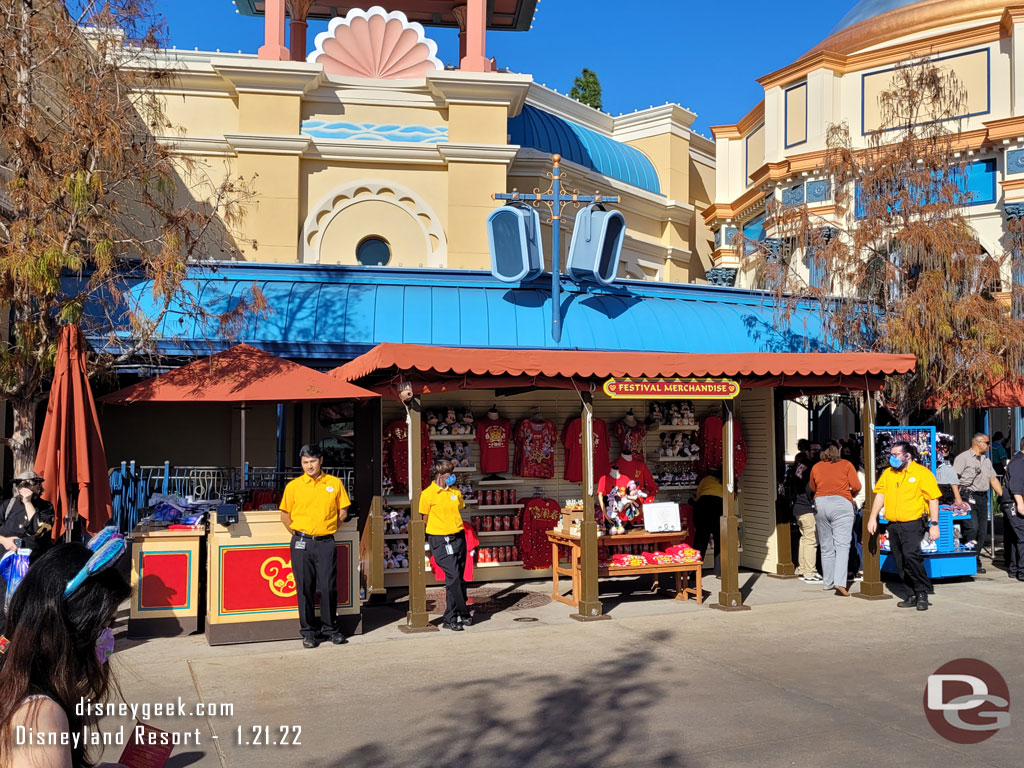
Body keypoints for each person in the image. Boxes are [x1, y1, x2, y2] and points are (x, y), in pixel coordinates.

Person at [0, 541, 130, 768]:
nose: (110, 638)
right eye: (106, 624)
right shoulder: (41, 717)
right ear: (70, 629)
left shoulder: (17, 682)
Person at [279, 444, 350, 649]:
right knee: (304, 588)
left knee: (328, 587)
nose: (309, 466)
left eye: (312, 461)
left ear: (321, 461)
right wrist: (301, 534)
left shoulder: (334, 483)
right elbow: (285, 516)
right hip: (301, 542)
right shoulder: (294, 486)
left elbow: (343, 511)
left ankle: (330, 629)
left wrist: (328, 528)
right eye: (305, 462)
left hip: (326, 542)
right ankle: (308, 632)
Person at [868, 441, 941, 611]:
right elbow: (880, 495)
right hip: (893, 524)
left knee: (911, 557)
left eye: (896, 454)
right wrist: (873, 517)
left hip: (913, 523)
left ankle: (922, 592)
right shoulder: (888, 473)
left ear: (907, 455)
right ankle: (911, 594)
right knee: (900, 560)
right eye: (891, 454)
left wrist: (934, 524)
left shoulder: (922, 473)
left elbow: (933, 499)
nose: (892, 457)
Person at [419, 458, 470, 631]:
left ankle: (452, 617)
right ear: (439, 475)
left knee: (456, 579)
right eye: (448, 475)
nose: (451, 478)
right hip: (439, 539)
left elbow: (459, 508)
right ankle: (461, 612)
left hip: (458, 536)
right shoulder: (427, 494)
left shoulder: (455, 492)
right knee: (453, 576)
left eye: (452, 474)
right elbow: (424, 518)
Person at [809, 444, 861, 596]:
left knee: (826, 545)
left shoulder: (816, 467)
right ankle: (840, 582)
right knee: (842, 545)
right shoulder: (846, 465)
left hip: (821, 503)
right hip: (842, 503)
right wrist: (851, 495)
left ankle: (828, 582)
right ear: (837, 451)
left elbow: (812, 487)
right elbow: (856, 485)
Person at [952, 433, 1003, 573]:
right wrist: (958, 499)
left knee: (981, 532)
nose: (989, 445)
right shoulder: (963, 458)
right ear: (978, 443)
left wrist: (1004, 497)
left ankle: (974, 557)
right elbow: (954, 479)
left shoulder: (986, 460)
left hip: (982, 498)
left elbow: (993, 479)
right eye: (987, 442)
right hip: (967, 498)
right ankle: (967, 556)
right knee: (972, 528)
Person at [786, 444, 820, 583]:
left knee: (805, 538)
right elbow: (809, 488)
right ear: (807, 452)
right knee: (811, 539)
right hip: (806, 508)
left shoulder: (798, 468)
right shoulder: (809, 468)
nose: (818, 453)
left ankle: (803, 568)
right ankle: (809, 572)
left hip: (798, 507)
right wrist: (813, 501)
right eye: (815, 450)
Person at [1002, 438, 1024, 582]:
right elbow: (1015, 486)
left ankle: (1015, 568)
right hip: (1015, 504)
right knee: (1022, 537)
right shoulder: (1019, 462)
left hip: (1015, 503)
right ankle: (1021, 571)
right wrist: (1020, 504)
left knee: (1017, 538)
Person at [693, 472, 723, 573]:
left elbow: (698, 496)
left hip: (702, 506)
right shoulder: (726, 481)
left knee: (700, 540)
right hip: (718, 506)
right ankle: (720, 571)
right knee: (719, 540)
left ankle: (694, 571)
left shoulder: (705, 479)